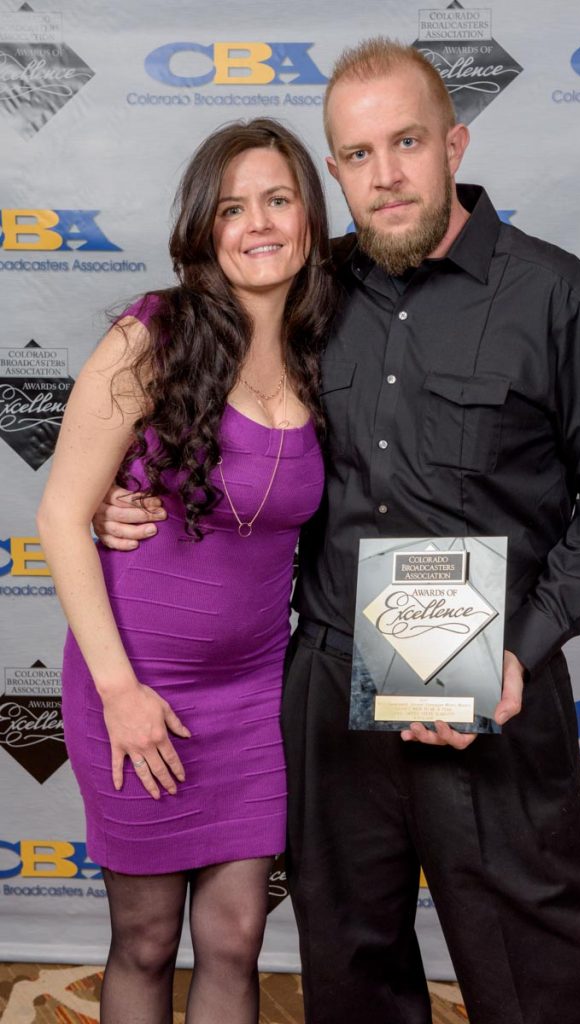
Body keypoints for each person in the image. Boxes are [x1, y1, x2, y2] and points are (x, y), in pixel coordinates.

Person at [94, 39, 580, 1024]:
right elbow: (215, 428)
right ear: (335, 172)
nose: (386, 174)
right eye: (358, 155)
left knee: (539, 973)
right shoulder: (304, 291)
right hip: (330, 682)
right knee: (350, 965)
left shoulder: (556, 295)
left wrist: (521, 651)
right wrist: (125, 492)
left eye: (407, 142)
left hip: (493, 678)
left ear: (454, 144)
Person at [37, 117, 336, 1024]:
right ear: (206, 227)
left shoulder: (328, 348)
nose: (259, 224)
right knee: (146, 939)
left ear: (310, 216)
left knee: (238, 937)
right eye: (233, 207)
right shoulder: (153, 336)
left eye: (278, 200)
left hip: (254, 694)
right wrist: (120, 692)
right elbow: (61, 514)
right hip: (137, 686)